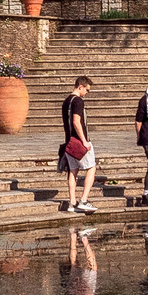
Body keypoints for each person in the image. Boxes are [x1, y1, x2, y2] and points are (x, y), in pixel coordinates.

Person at [59, 75, 98, 214]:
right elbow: (76, 121)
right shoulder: (78, 101)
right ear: (80, 86)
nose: (87, 93)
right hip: (78, 141)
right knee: (92, 168)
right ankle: (84, 200)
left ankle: (72, 202)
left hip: (69, 142)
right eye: (87, 90)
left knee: (73, 171)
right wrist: (84, 141)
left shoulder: (66, 101)